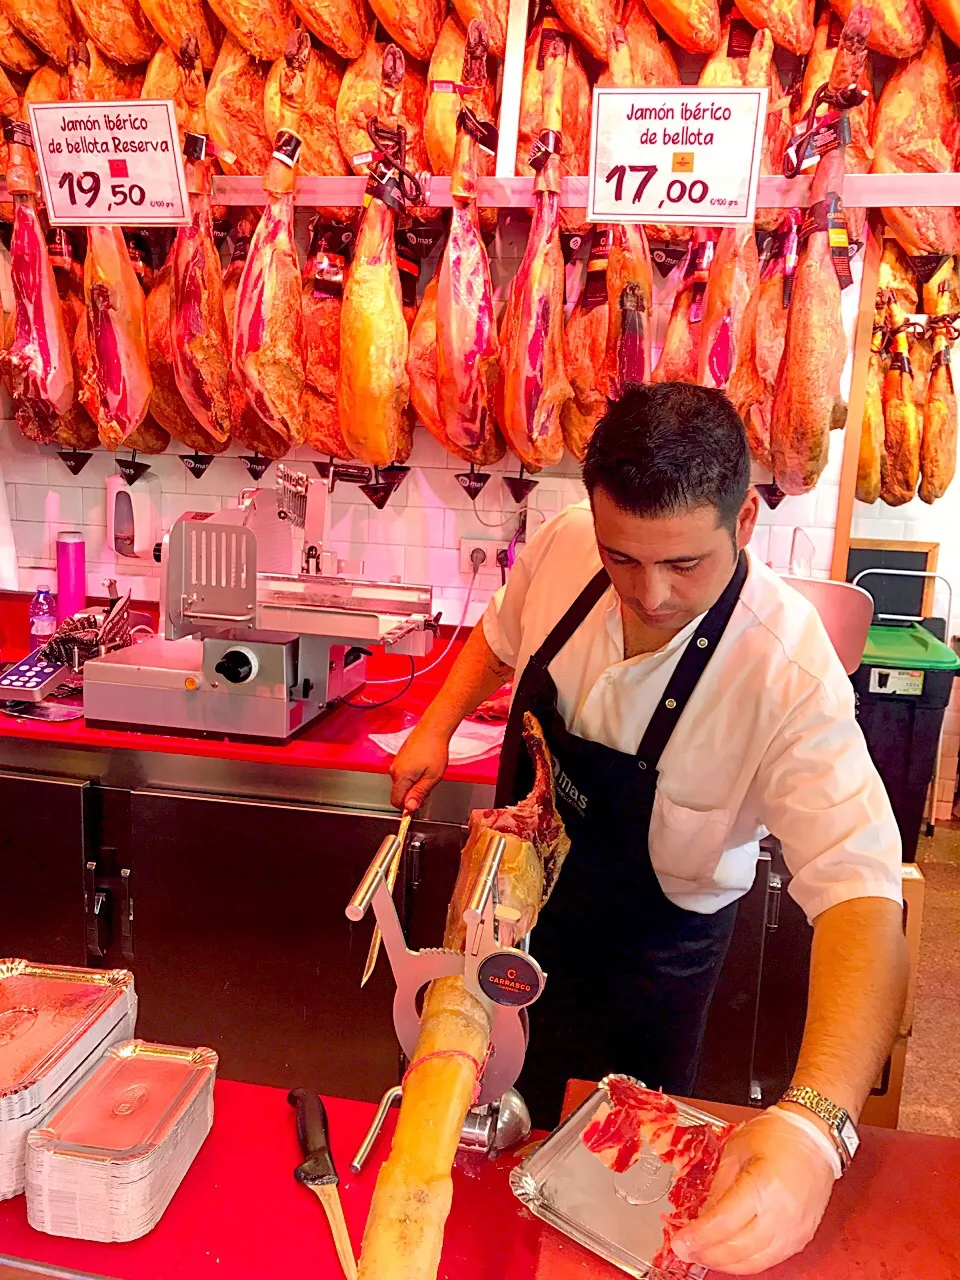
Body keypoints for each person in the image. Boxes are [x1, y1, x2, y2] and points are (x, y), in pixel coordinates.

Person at [390, 383, 907, 1275]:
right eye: (622, 558)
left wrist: (818, 1127)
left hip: (652, 967)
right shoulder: (561, 547)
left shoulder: (785, 670)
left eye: (684, 565)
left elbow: (863, 894)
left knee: (608, 1199)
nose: (650, 594)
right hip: (508, 923)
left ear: (744, 517)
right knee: (468, 1162)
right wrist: (437, 724)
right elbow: (501, 635)